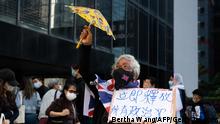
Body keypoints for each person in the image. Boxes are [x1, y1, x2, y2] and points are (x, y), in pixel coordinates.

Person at [78, 26, 141, 124]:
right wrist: (86, 46)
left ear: (134, 74)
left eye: (125, 66)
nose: (119, 69)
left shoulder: (141, 97)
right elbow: (84, 71)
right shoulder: (102, 88)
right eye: (117, 66)